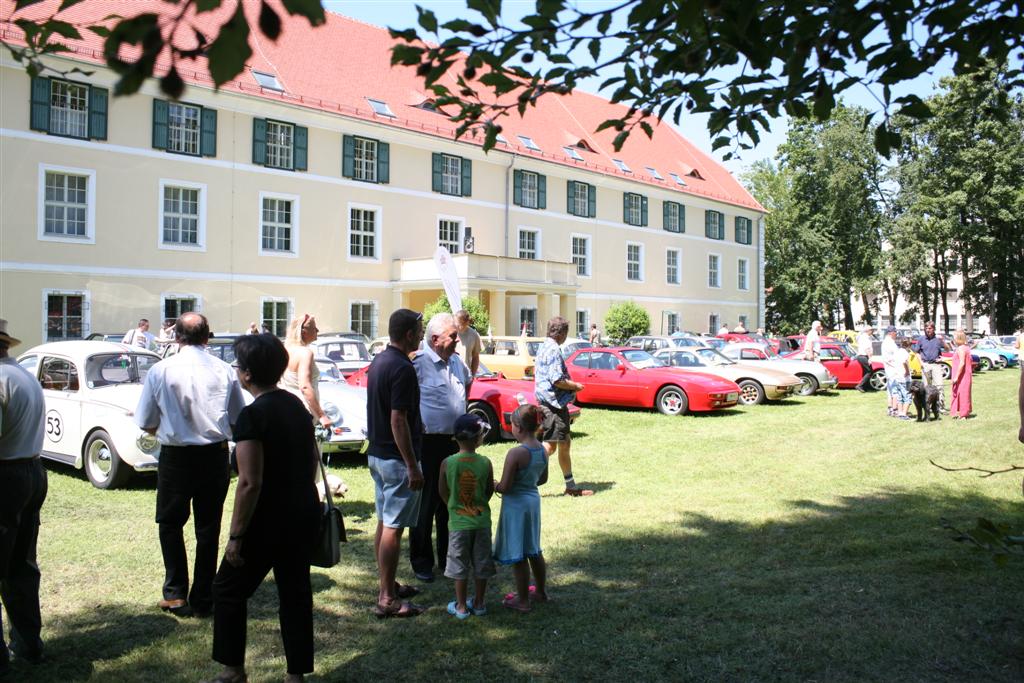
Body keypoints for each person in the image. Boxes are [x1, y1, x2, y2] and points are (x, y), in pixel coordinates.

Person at [204, 335, 320, 683]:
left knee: (227, 589)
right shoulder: (297, 406)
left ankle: (232, 671)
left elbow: (249, 483)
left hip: (268, 520)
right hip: (302, 512)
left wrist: (236, 536)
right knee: (295, 593)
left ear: (247, 375)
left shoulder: (252, 417)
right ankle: (295, 675)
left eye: (239, 366)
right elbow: (311, 460)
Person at [135, 312, 246, 618]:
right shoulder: (225, 371)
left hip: (176, 456)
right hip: (213, 454)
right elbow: (238, 419)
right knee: (208, 528)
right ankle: (203, 596)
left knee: (170, 524)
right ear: (207, 337)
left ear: (177, 337)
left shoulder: (160, 370)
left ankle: (175, 594)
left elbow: (145, 421)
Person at [366, 309, 426, 618]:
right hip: (395, 459)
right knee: (393, 526)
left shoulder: (380, 361)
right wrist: (412, 465)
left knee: (384, 521)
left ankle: (387, 583)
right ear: (407, 335)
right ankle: (387, 598)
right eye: (419, 329)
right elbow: (397, 419)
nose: (422, 333)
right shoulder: (402, 367)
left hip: (378, 454)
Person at [0, 319, 47, 675]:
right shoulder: (22, 374)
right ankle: (29, 643)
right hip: (31, 469)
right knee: (21, 564)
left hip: (8, 474)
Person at [410, 313, 472, 582]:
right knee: (425, 504)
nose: (458, 341)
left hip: (454, 443)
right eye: (453, 336)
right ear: (435, 340)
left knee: (450, 502)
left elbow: (467, 383)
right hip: (429, 443)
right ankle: (422, 560)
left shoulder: (457, 362)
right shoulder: (419, 364)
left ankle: (449, 556)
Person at [438, 413, 495, 619]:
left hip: (458, 524)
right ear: (478, 438)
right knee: (481, 562)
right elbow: (488, 490)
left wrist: (452, 506)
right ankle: (479, 603)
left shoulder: (447, 462)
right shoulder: (485, 462)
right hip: (481, 522)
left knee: (459, 564)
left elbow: (442, 490)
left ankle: (461, 606)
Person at [494, 405, 549, 612]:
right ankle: (541, 592)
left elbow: (505, 487)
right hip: (532, 502)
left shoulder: (516, 453)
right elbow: (542, 479)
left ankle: (523, 600)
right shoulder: (542, 450)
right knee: (534, 549)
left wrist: (493, 485)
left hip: (516, 506)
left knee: (519, 554)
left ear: (517, 427)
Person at [534, 316, 592, 496]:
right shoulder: (552, 349)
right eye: (566, 332)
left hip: (554, 404)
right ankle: (522, 478)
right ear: (561, 333)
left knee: (564, 443)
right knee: (550, 447)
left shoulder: (545, 345)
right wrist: (575, 386)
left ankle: (571, 487)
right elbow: (557, 380)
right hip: (552, 405)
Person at [280, 315, 332, 431]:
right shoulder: (305, 353)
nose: (317, 331)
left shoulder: (285, 350)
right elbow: (305, 386)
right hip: (303, 412)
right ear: (303, 332)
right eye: (314, 328)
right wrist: (322, 415)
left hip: (286, 409)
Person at [913, 321, 946, 412]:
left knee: (939, 386)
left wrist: (943, 341)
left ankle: (940, 407)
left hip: (936, 365)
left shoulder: (938, 339)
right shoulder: (921, 339)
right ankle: (928, 406)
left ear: (933, 329)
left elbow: (948, 349)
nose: (928, 330)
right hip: (925, 365)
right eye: (926, 328)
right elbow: (917, 353)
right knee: (927, 387)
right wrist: (921, 363)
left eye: (930, 328)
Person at [881, 326, 909, 419]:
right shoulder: (890, 343)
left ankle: (890, 408)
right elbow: (897, 357)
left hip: (889, 369)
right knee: (895, 390)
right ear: (890, 333)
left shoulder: (886, 342)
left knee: (890, 390)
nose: (896, 334)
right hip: (893, 369)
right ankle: (895, 409)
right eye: (895, 332)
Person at [950, 329, 974, 419]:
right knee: (964, 393)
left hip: (962, 375)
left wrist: (956, 376)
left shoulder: (961, 349)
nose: (954, 340)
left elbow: (962, 363)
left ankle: (963, 414)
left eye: (954, 338)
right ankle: (962, 412)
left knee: (962, 393)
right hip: (966, 374)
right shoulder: (966, 348)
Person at [453, 309, 481, 377]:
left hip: (465, 375)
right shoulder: (449, 332)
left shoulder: (474, 335)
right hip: (451, 374)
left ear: (467, 323)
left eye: (461, 324)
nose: (458, 326)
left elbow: (475, 357)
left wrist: (472, 375)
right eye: (457, 323)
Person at [855, 324, 875, 392]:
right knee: (869, 371)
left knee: (865, 371)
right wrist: (869, 358)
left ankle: (864, 386)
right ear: (868, 331)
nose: (872, 331)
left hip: (861, 356)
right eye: (871, 330)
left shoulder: (863, 337)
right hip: (864, 356)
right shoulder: (865, 338)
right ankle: (860, 385)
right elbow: (867, 349)